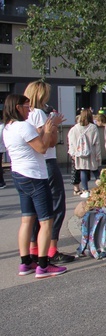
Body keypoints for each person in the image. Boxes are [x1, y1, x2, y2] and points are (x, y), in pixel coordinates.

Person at [3, 93, 67, 278]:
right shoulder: (23, 126)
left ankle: (25, 263)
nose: (29, 110)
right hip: (35, 176)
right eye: (26, 106)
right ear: (17, 107)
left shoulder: (8, 127)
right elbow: (42, 148)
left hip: (19, 175)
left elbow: (32, 142)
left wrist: (44, 131)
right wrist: (49, 129)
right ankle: (43, 266)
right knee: (46, 221)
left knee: (26, 220)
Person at [24, 81, 75, 264]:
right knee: (56, 205)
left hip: (32, 165)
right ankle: (51, 248)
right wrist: (53, 125)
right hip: (47, 162)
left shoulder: (26, 114)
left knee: (34, 211)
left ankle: (34, 249)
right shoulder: (39, 114)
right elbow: (49, 142)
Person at [67, 108, 101, 199]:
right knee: (95, 170)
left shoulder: (74, 129)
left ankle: (85, 190)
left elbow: (70, 142)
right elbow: (97, 143)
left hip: (79, 154)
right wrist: (98, 155)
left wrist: (73, 153)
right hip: (91, 153)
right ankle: (103, 185)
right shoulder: (93, 128)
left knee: (83, 170)